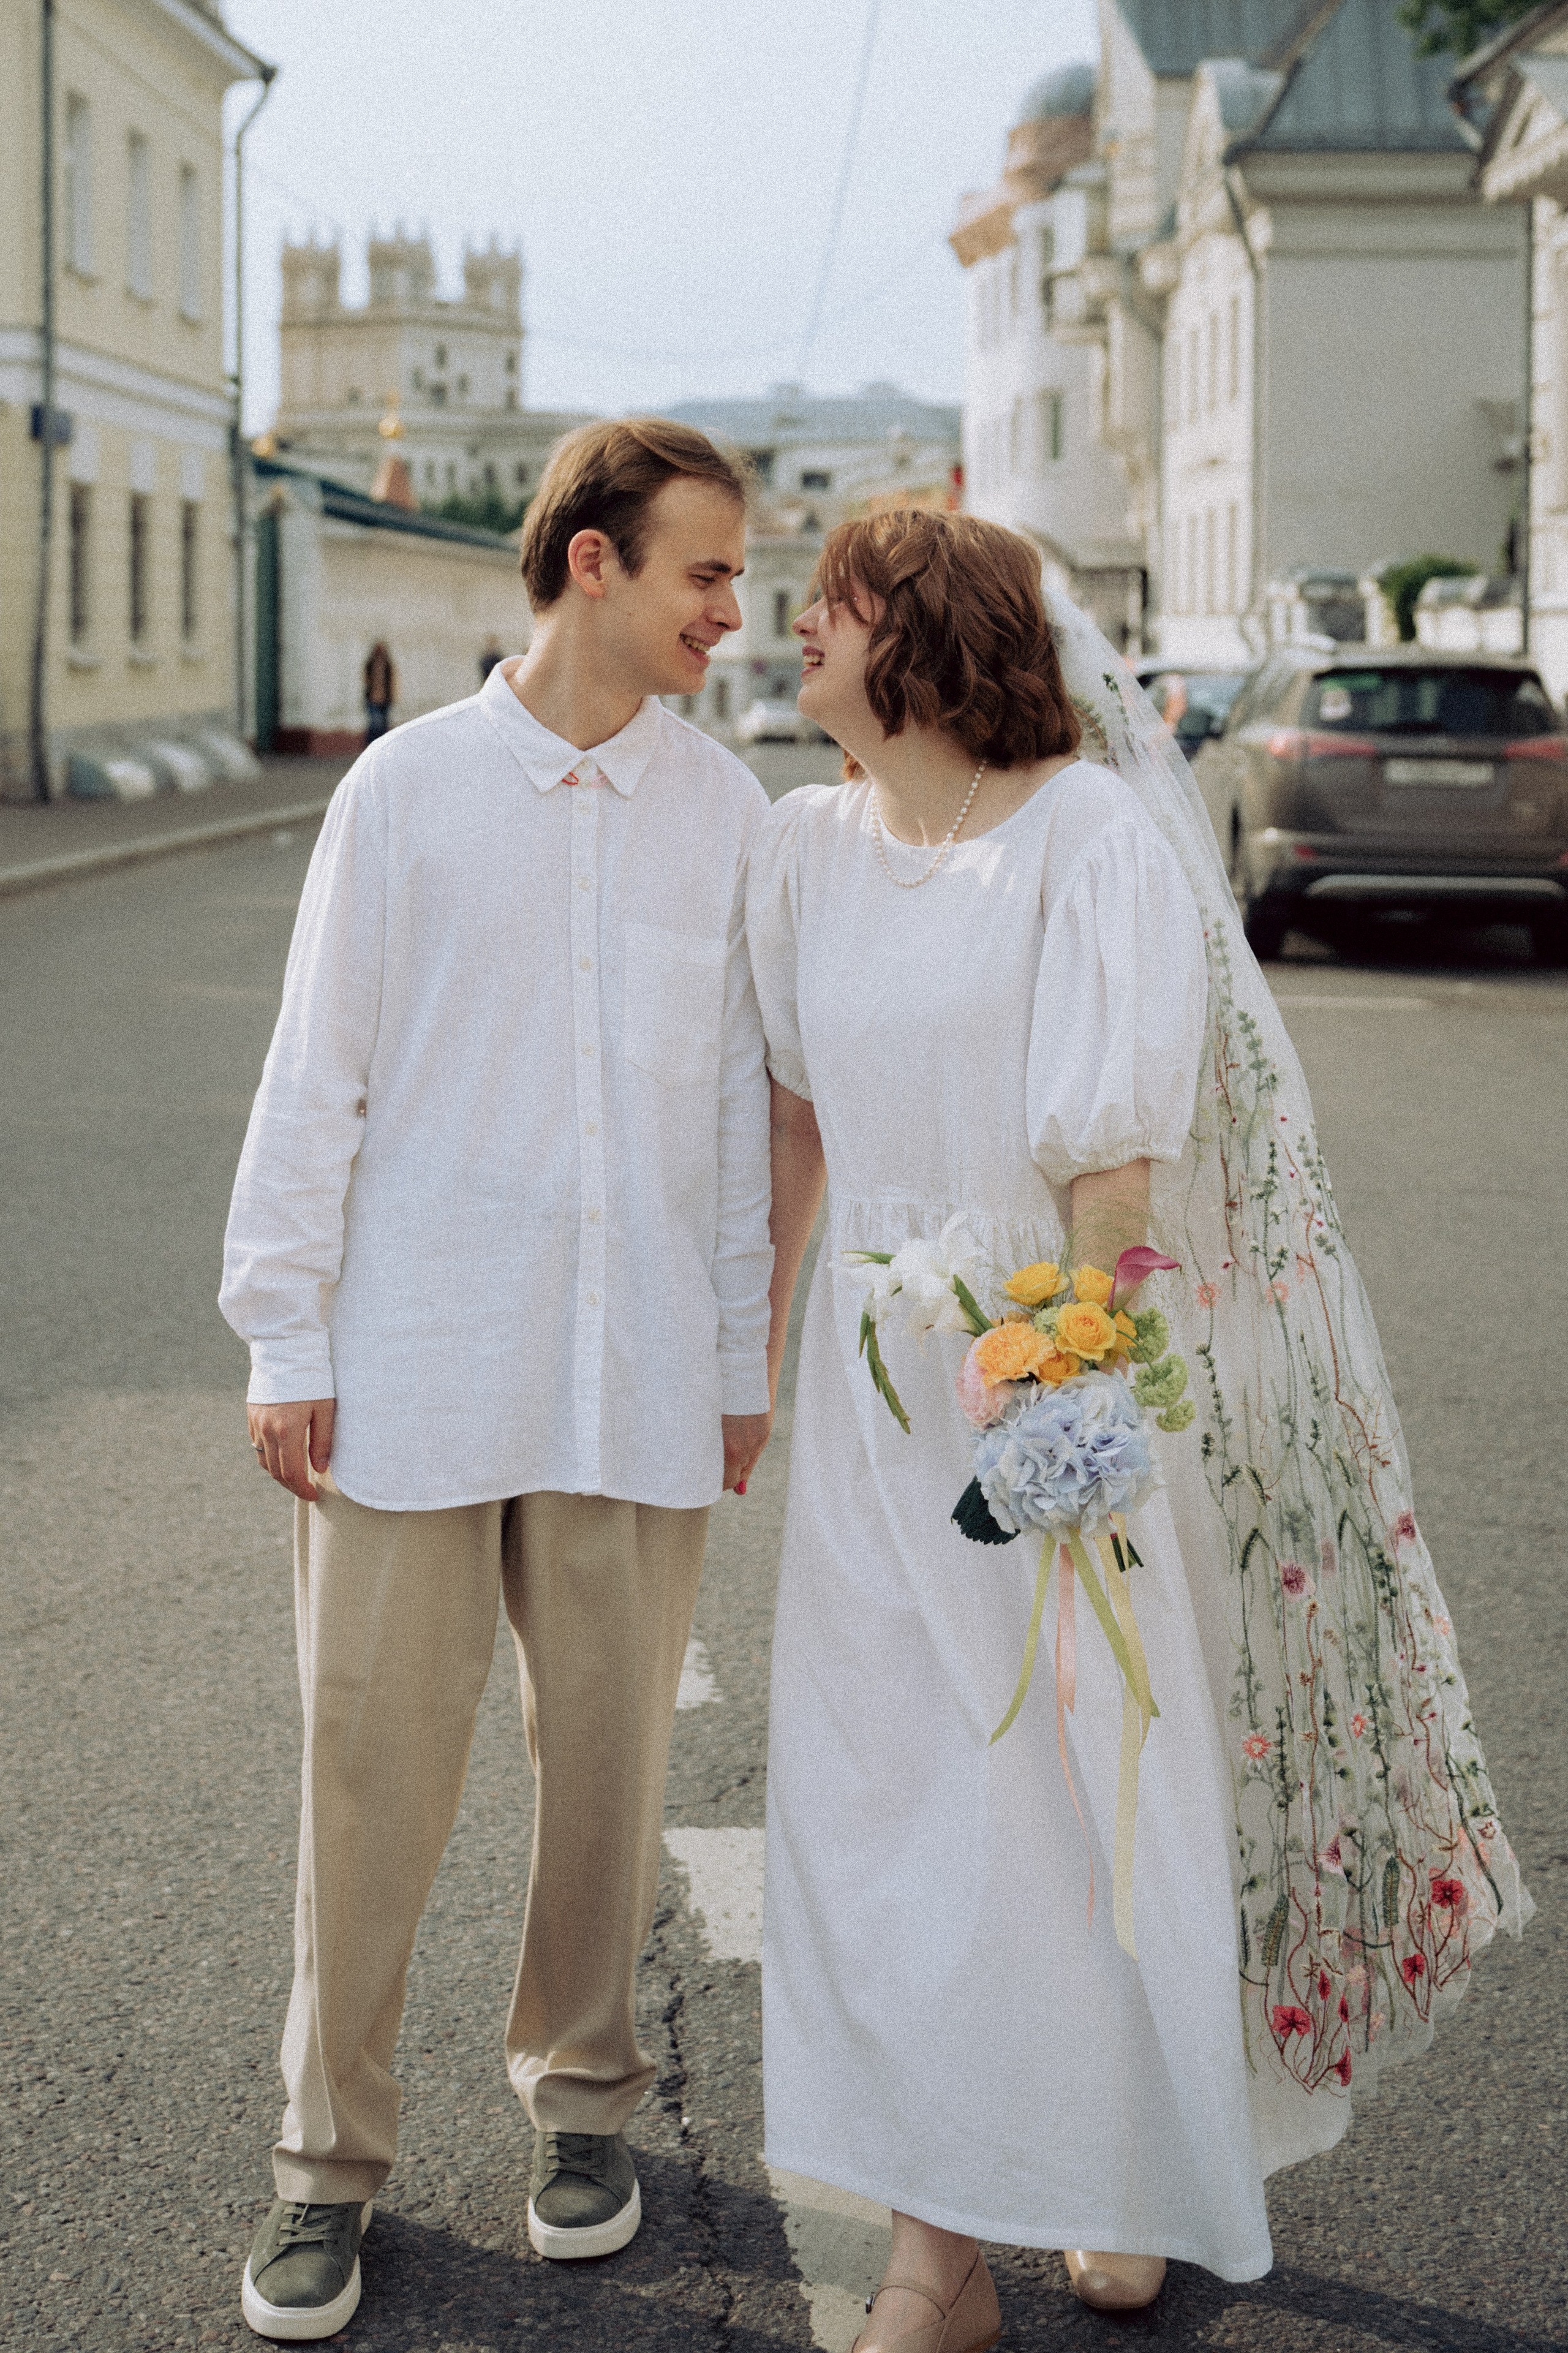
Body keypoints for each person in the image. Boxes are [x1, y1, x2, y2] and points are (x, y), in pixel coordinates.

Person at [747, 512, 1530, 2348]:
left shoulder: (1086, 842)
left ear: (925, 638)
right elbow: (791, 1132)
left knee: (1068, 1807)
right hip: (863, 1402)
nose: (794, 621)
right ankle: (934, 2258)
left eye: (834, 599)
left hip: (1044, 1373)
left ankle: (1114, 2171)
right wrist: (734, 1366)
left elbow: (1116, 1171)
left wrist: (1067, 1426)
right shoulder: (797, 851)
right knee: (890, 1827)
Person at [221, 418, 774, 2341]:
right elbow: (321, 1072)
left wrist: (730, 1352)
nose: (734, 608)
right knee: (368, 1771)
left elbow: (722, 1111)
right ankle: (325, 2163)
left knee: (608, 1777)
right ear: (596, 564)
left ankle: (587, 2105)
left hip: (627, 1381)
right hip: (409, 1370)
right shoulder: (404, 791)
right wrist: (285, 1330)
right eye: (705, 570)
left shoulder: (727, 808)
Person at [362, 640, 396, 741]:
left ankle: (382, 744)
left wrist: (393, 695)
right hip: (373, 699)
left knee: (384, 725)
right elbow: (366, 679)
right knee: (375, 724)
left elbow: (392, 681)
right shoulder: (370, 664)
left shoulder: (388, 665)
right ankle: (372, 744)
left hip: (386, 699)